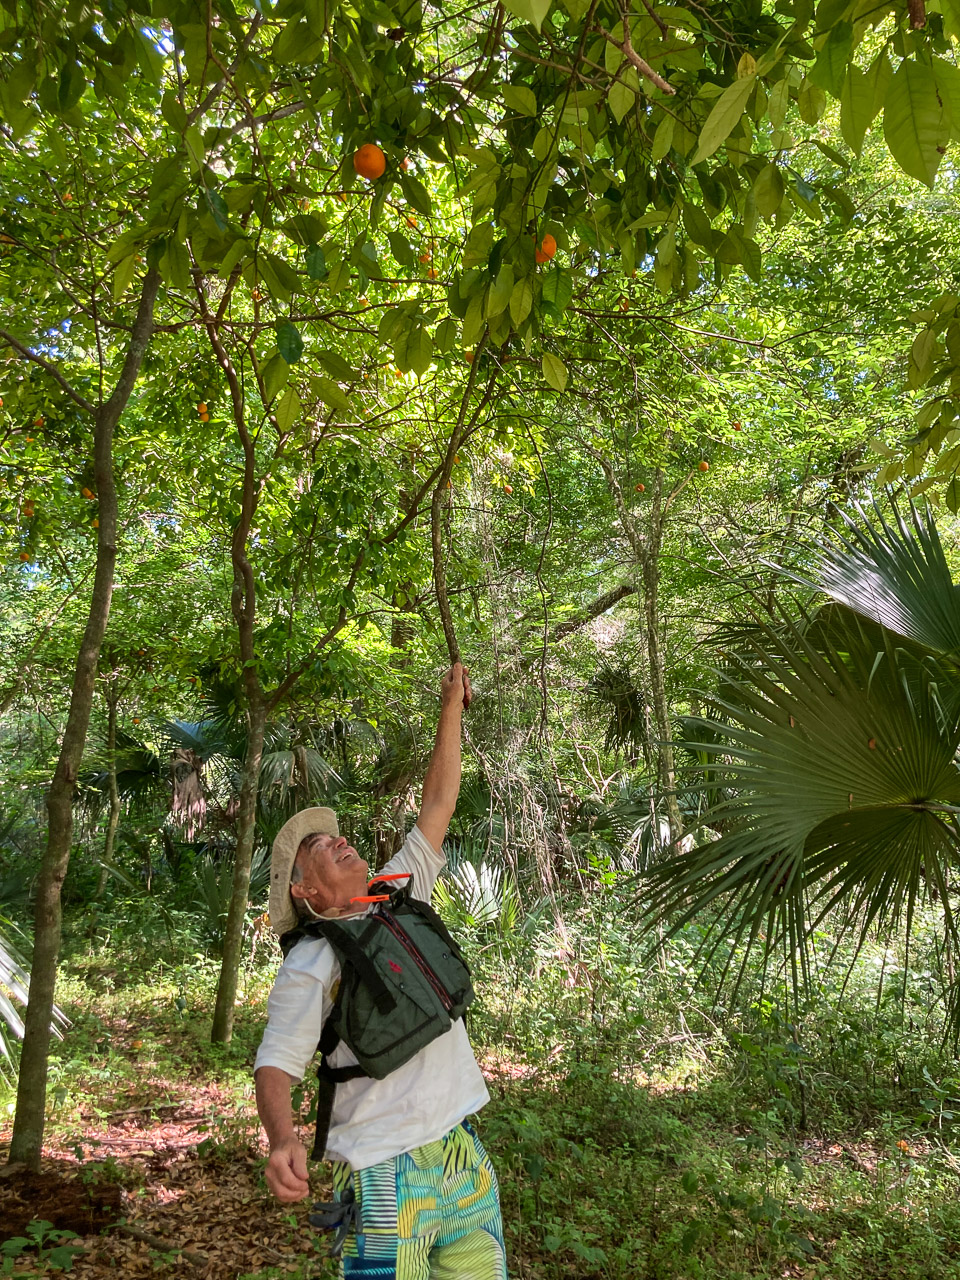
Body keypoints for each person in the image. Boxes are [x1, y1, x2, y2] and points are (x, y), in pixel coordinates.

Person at [255, 663, 508, 1279]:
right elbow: (274, 1064)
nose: (335, 841)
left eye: (333, 837)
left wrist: (451, 703)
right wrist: (284, 1140)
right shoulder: (313, 960)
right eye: (318, 850)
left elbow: (439, 803)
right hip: (382, 1171)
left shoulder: (396, 891)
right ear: (306, 893)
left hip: (462, 1152)